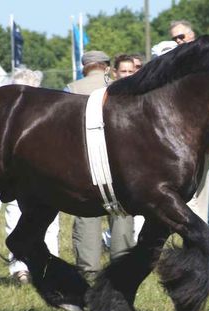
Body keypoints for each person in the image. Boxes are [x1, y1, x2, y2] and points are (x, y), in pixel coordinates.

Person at [66, 51, 135, 281]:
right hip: (119, 163)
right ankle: (121, 271)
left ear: (85, 67)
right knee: (122, 214)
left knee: (86, 216)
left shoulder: (71, 88)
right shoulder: (123, 88)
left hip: (83, 164)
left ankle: (89, 272)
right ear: (107, 68)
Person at [4, 67, 60, 283]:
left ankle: (38, 267)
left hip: (38, 179)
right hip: (30, 179)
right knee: (19, 219)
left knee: (44, 222)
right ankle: (25, 267)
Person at [170, 20, 209, 224]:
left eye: (181, 36)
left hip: (204, 140)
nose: (178, 41)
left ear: (192, 35)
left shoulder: (208, 62)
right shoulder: (174, 65)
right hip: (177, 143)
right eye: (174, 38)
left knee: (200, 199)